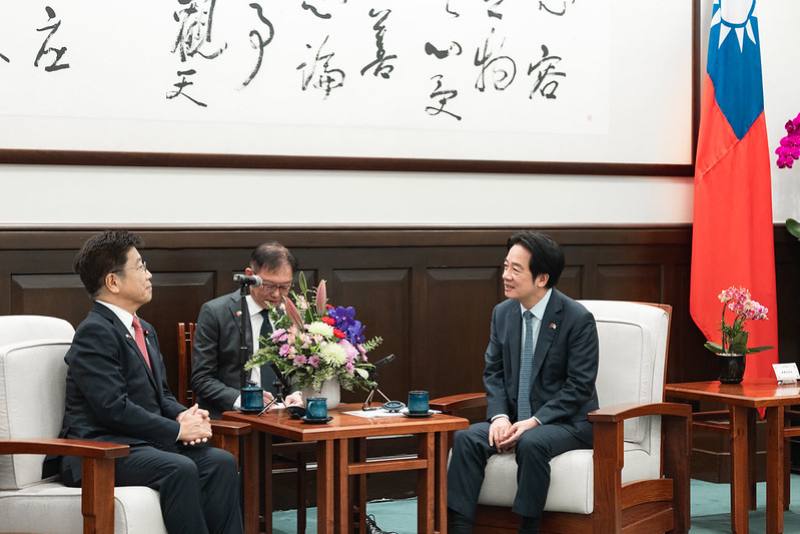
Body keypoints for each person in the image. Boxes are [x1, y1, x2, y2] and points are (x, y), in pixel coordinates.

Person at [57, 230, 242, 534]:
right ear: (113, 282)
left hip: (140, 444)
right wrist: (178, 430)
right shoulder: (95, 332)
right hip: (99, 448)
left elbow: (162, 396)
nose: (149, 274)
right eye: (141, 267)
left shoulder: (144, 329)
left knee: (220, 463)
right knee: (179, 468)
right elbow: (112, 409)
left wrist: (185, 415)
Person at [447, 231, 600, 534]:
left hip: (568, 423)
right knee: (467, 438)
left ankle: (529, 527)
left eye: (516, 269)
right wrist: (501, 417)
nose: (505, 275)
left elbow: (579, 386)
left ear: (541, 278)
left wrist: (535, 421)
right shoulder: (503, 313)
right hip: (516, 418)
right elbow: (494, 372)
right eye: (505, 266)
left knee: (532, 442)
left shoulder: (577, 319)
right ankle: (459, 527)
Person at [192, 242, 303, 418]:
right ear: (250, 275)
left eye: (284, 287)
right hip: (232, 417)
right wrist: (241, 399)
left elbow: (299, 370)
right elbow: (202, 379)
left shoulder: (292, 314)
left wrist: (296, 394)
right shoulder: (215, 312)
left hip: (284, 417)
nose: (276, 294)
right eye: (268, 285)